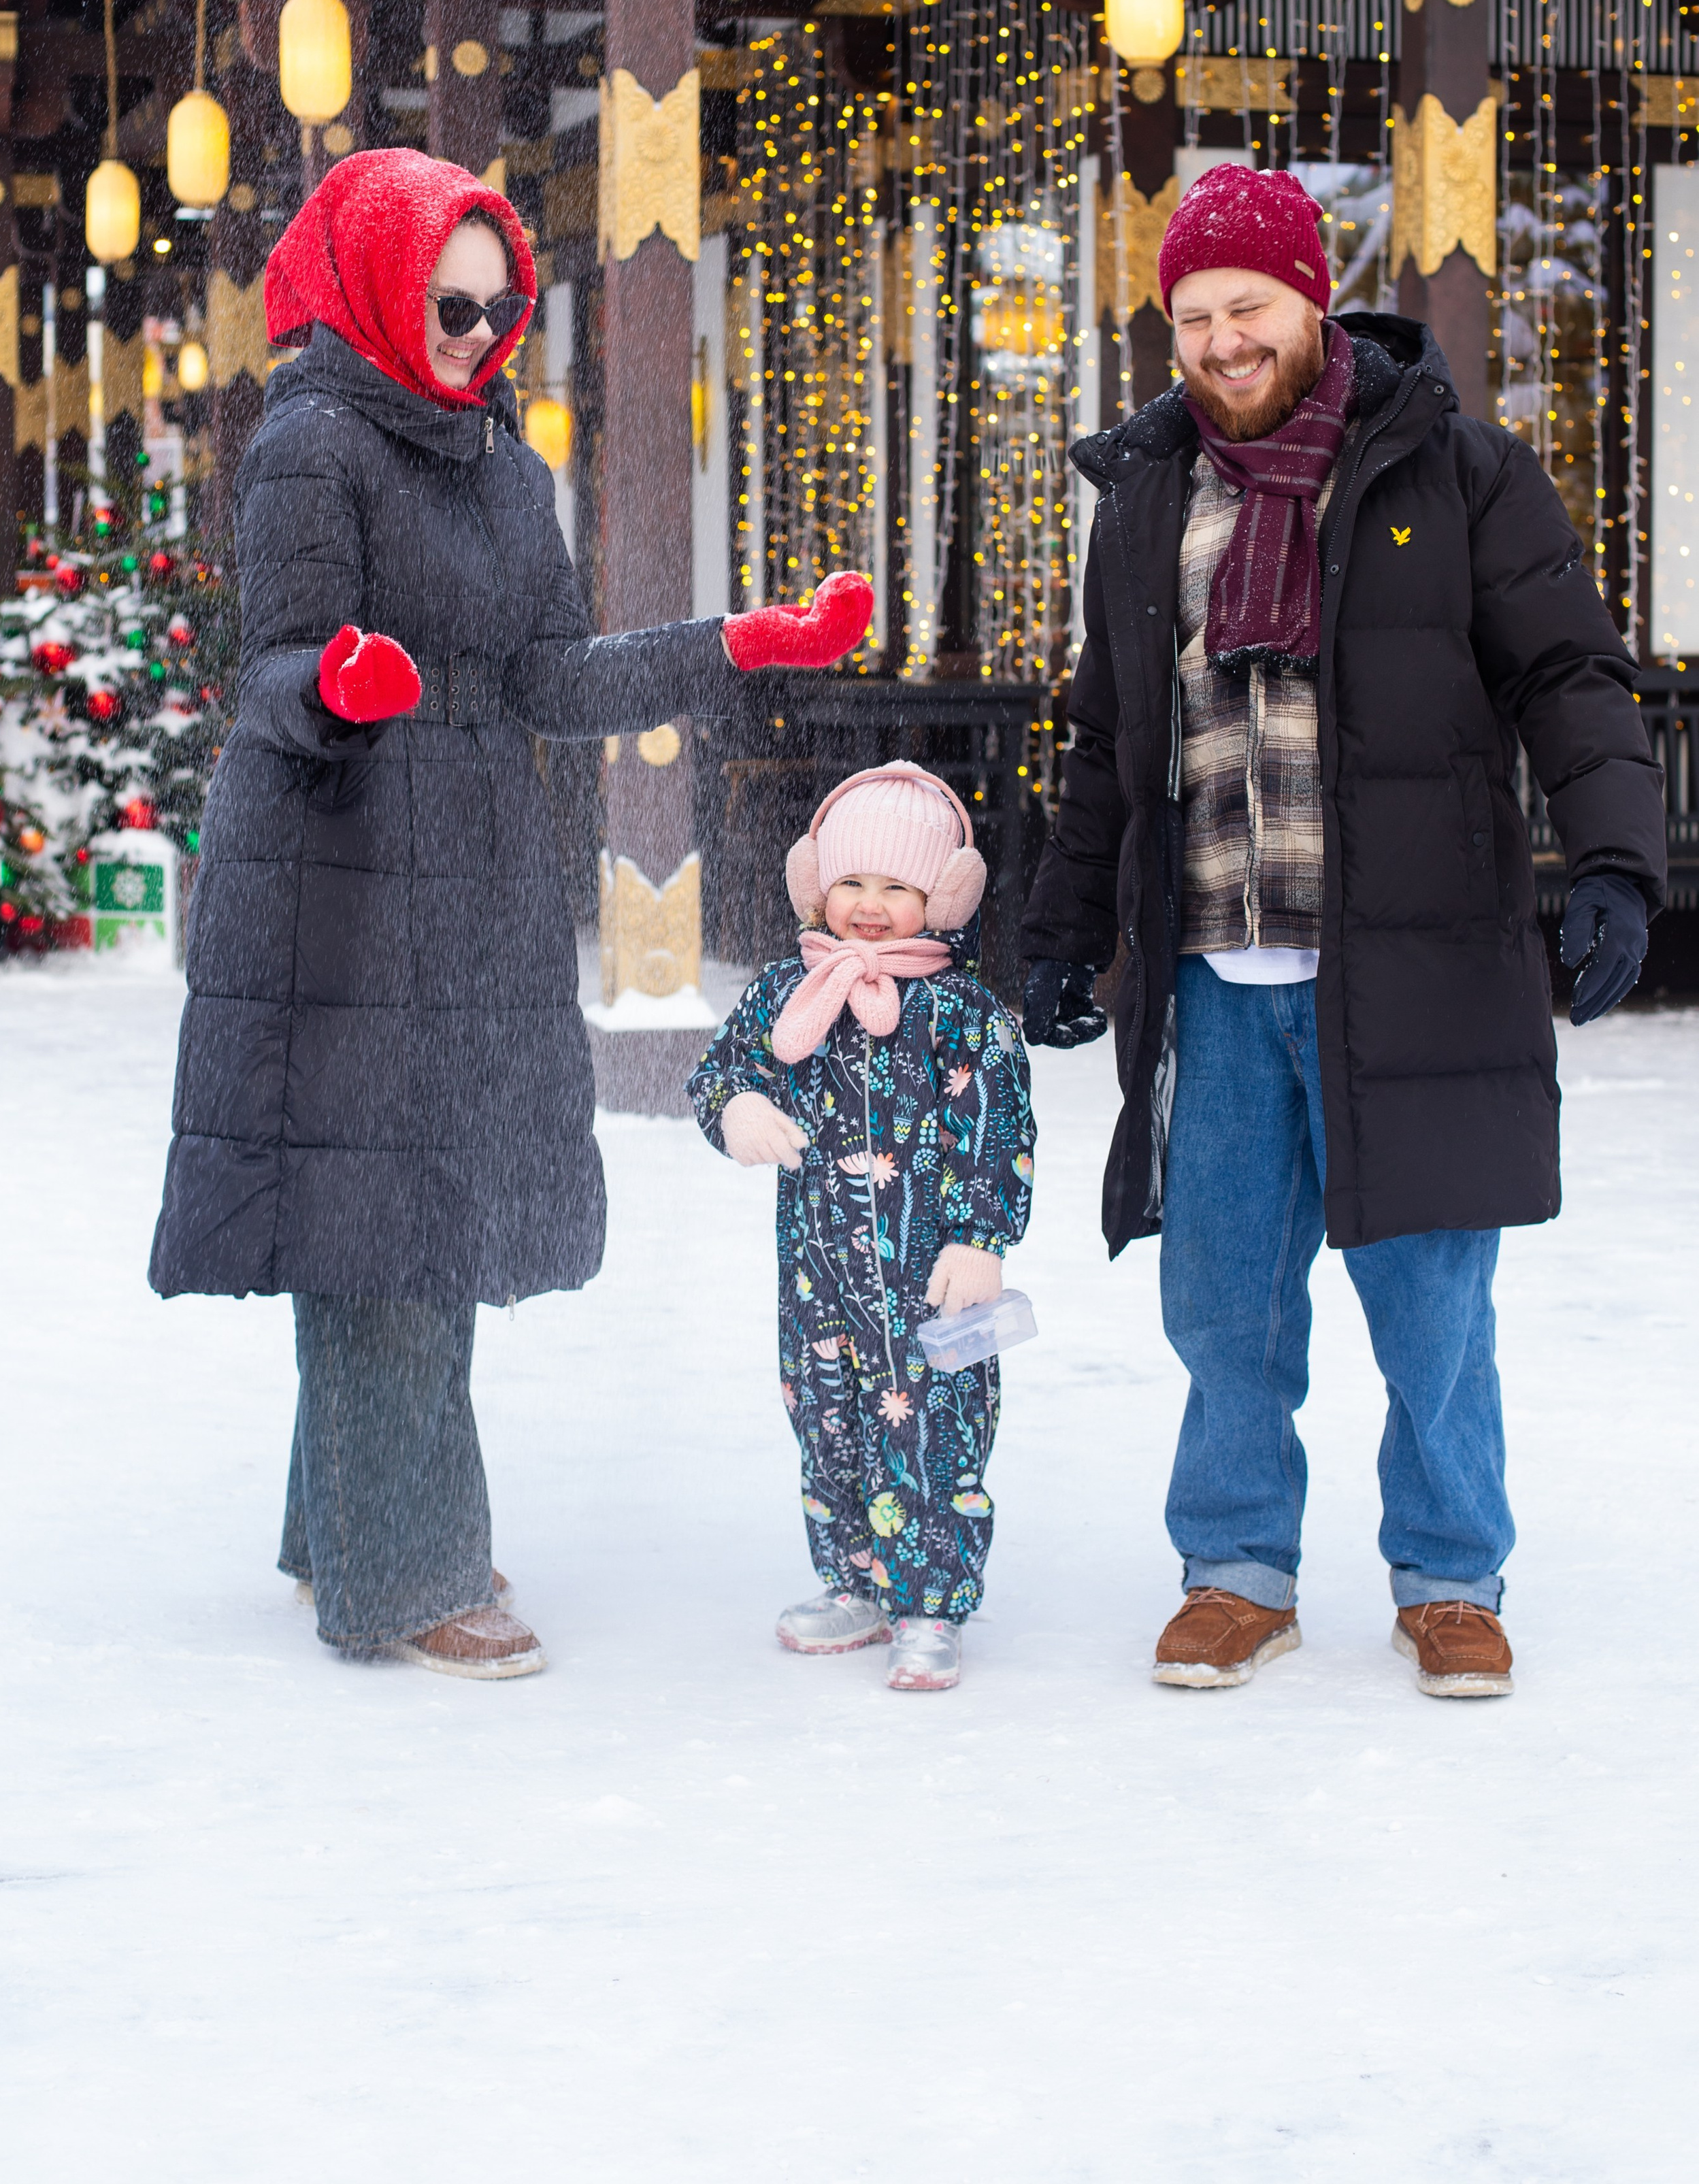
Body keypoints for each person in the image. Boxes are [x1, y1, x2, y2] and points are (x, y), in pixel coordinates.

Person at [148, 148, 872, 1679]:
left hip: (474, 869)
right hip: (339, 867)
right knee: (387, 1203)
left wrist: (736, 643)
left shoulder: (498, 461)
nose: (478, 334)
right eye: (448, 302)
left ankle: (341, 1514)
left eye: (498, 307)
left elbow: (554, 677)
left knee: (428, 1190)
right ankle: (402, 1571)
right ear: (375, 286)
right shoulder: (313, 443)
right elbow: (273, 666)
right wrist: (341, 686)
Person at [1020, 164, 1666, 1700]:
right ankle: (1234, 1565)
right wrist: (1057, 928)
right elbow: (1106, 737)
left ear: (1310, 301)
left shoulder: (1459, 474)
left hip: (1414, 963)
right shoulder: (1144, 501)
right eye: (1191, 317)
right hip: (1210, 969)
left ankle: (1449, 1573)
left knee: (1431, 1296)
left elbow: (1567, 678)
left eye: (1247, 308)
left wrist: (1615, 864)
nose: (1222, 342)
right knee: (1222, 1295)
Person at [687, 763, 1035, 1692]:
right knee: (828, 1419)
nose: (870, 907)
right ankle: (856, 1581)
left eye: (897, 887)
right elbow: (722, 1070)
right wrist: (737, 1110)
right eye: (851, 884)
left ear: (942, 896)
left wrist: (981, 1236)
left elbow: (998, 1130)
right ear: (816, 884)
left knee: (937, 1430)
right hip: (817, 1279)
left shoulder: (963, 1015)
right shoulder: (785, 994)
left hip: (935, 1281)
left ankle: (931, 1600)